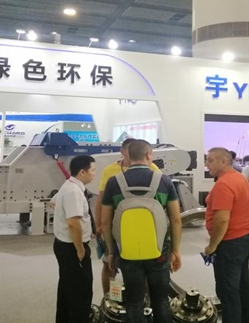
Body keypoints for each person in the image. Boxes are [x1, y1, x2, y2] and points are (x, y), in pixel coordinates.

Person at [101, 139, 182, 323]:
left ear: (128, 156)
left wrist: (111, 252)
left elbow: (105, 221)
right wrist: (175, 251)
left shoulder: (114, 182)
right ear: (148, 155)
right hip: (159, 251)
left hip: (126, 251)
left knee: (134, 301)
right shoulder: (164, 181)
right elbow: (176, 220)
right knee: (160, 300)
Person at [94, 138, 162, 295]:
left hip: (144, 228)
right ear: (123, 152)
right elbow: (101, 199)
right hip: (114, 227)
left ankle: (144, 298)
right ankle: (110, 298)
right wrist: (99, 223)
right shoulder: (110, 171)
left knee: (144, 265)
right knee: (109, 264)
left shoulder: (152, 169)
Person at [204, 147, 249, 323]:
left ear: (224, 161)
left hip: (230, 243)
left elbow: (222, 220)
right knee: (242, 286)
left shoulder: (224, 184)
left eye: (210, 160)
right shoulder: (239, 178)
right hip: (245, 238)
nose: (207, 164)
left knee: (228, 292)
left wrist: (212, 246)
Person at [53, 155, 96, 323]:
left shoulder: (69, 186)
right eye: (92, 170)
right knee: (80, 293)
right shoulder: (73, 191)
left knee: (67, 289)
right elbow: (73, 223)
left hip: (64, 245)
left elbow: (53, 202)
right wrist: (80, 250)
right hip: (72, 248)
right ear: (82, 172)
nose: (94, 174)